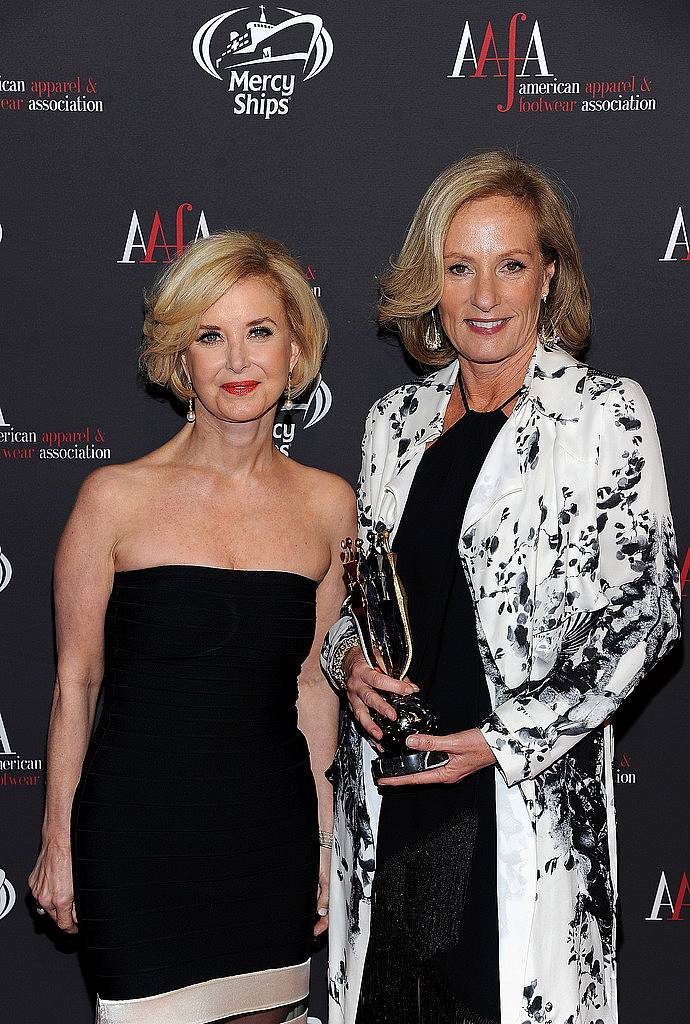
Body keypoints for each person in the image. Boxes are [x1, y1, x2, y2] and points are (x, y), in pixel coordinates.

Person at [320, 151, 681, 1024]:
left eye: (510, 265)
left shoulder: (603, 415)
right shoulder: (393, 425)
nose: (485, 295)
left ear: (548, 275)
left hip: (518, 803)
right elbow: (358, 597)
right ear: (431, 283)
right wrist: (347, 662)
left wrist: (502, 739)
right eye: (460, 267)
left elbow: (648, 615)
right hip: (390, 801)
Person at [28, 230, 355, 1024]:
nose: (237, 360)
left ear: (295, 349)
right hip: (137, 848)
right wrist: (59, 842)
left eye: (259, 331)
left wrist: (322, 841)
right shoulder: (114, 498)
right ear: (181, 360)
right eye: (211, 336)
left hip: (267, 848)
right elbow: (76, 681)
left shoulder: (329, 505)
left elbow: (315, 684)